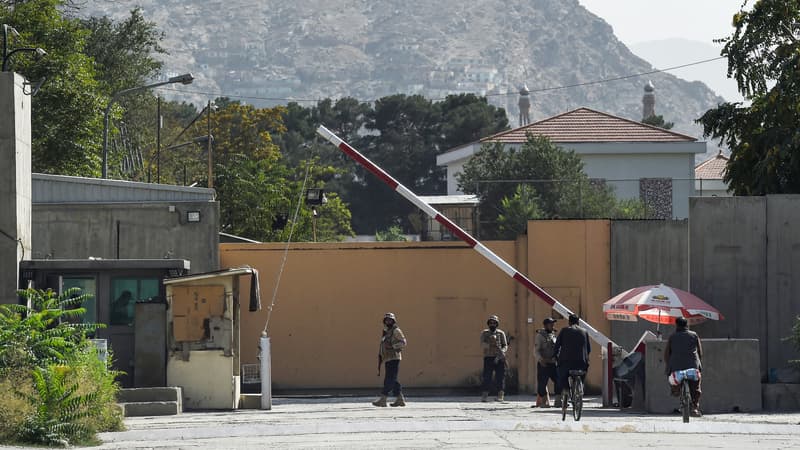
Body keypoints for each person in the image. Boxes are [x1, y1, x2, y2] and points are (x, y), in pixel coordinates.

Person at [664, 316, 703, 417]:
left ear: (676, 325)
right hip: (692, 365)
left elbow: (667, 354)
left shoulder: (672, 336)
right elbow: (699, 352)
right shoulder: (694, 335)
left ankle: (675, 390)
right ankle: (694, 407)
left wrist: (668, 366)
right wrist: (699, 364)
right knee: (696, 387)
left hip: (676, 367)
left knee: (674, 380)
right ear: (687, 325)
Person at [373, 312, 407, 407]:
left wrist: (392, 346)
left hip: (394, 357)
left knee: (389, 379)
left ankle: (383, 399)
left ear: (393, 321)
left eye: (390, 320)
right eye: (386, 320)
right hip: (388, 358)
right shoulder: (386, 331)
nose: (388, 321)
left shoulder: (396, 330)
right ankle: (400, 399)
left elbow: (403, 342)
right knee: (393, 379)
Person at [554, 314, 591, 399]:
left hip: (566, 362)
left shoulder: (564, 330)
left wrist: (555, 356)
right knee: (583, 372)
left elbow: (557, 346)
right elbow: (588, 349)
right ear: (578, 322)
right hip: (581, 363)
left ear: (569, 322)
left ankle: (566, 389)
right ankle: (580, 385)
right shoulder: (584, 331)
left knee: (560, 373)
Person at [480, 314, 508, 402]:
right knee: (487, 377)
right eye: (491, 323)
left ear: (497, 324)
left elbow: (505, 345)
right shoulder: (485, 333)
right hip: (488, 357)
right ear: (488, 324)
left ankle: (500, 395)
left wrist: (502, 352)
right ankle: (484, 395)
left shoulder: (501, 333)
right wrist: (490, 344)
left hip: (499, 357)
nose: (492, 324)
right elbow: (482, 344)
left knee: (500, 377)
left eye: (494, 323)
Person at [533, 317, 559, 407]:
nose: (552, 325)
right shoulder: (540, 336)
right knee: (542, 383)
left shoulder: (553, 334)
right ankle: (544, 402)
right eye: (550, 324)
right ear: (545, 325)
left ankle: (558, 400)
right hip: (544, 363)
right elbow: (536, 350)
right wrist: (541, 360)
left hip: (553, 362)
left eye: (553, 324)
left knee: (558, 380)